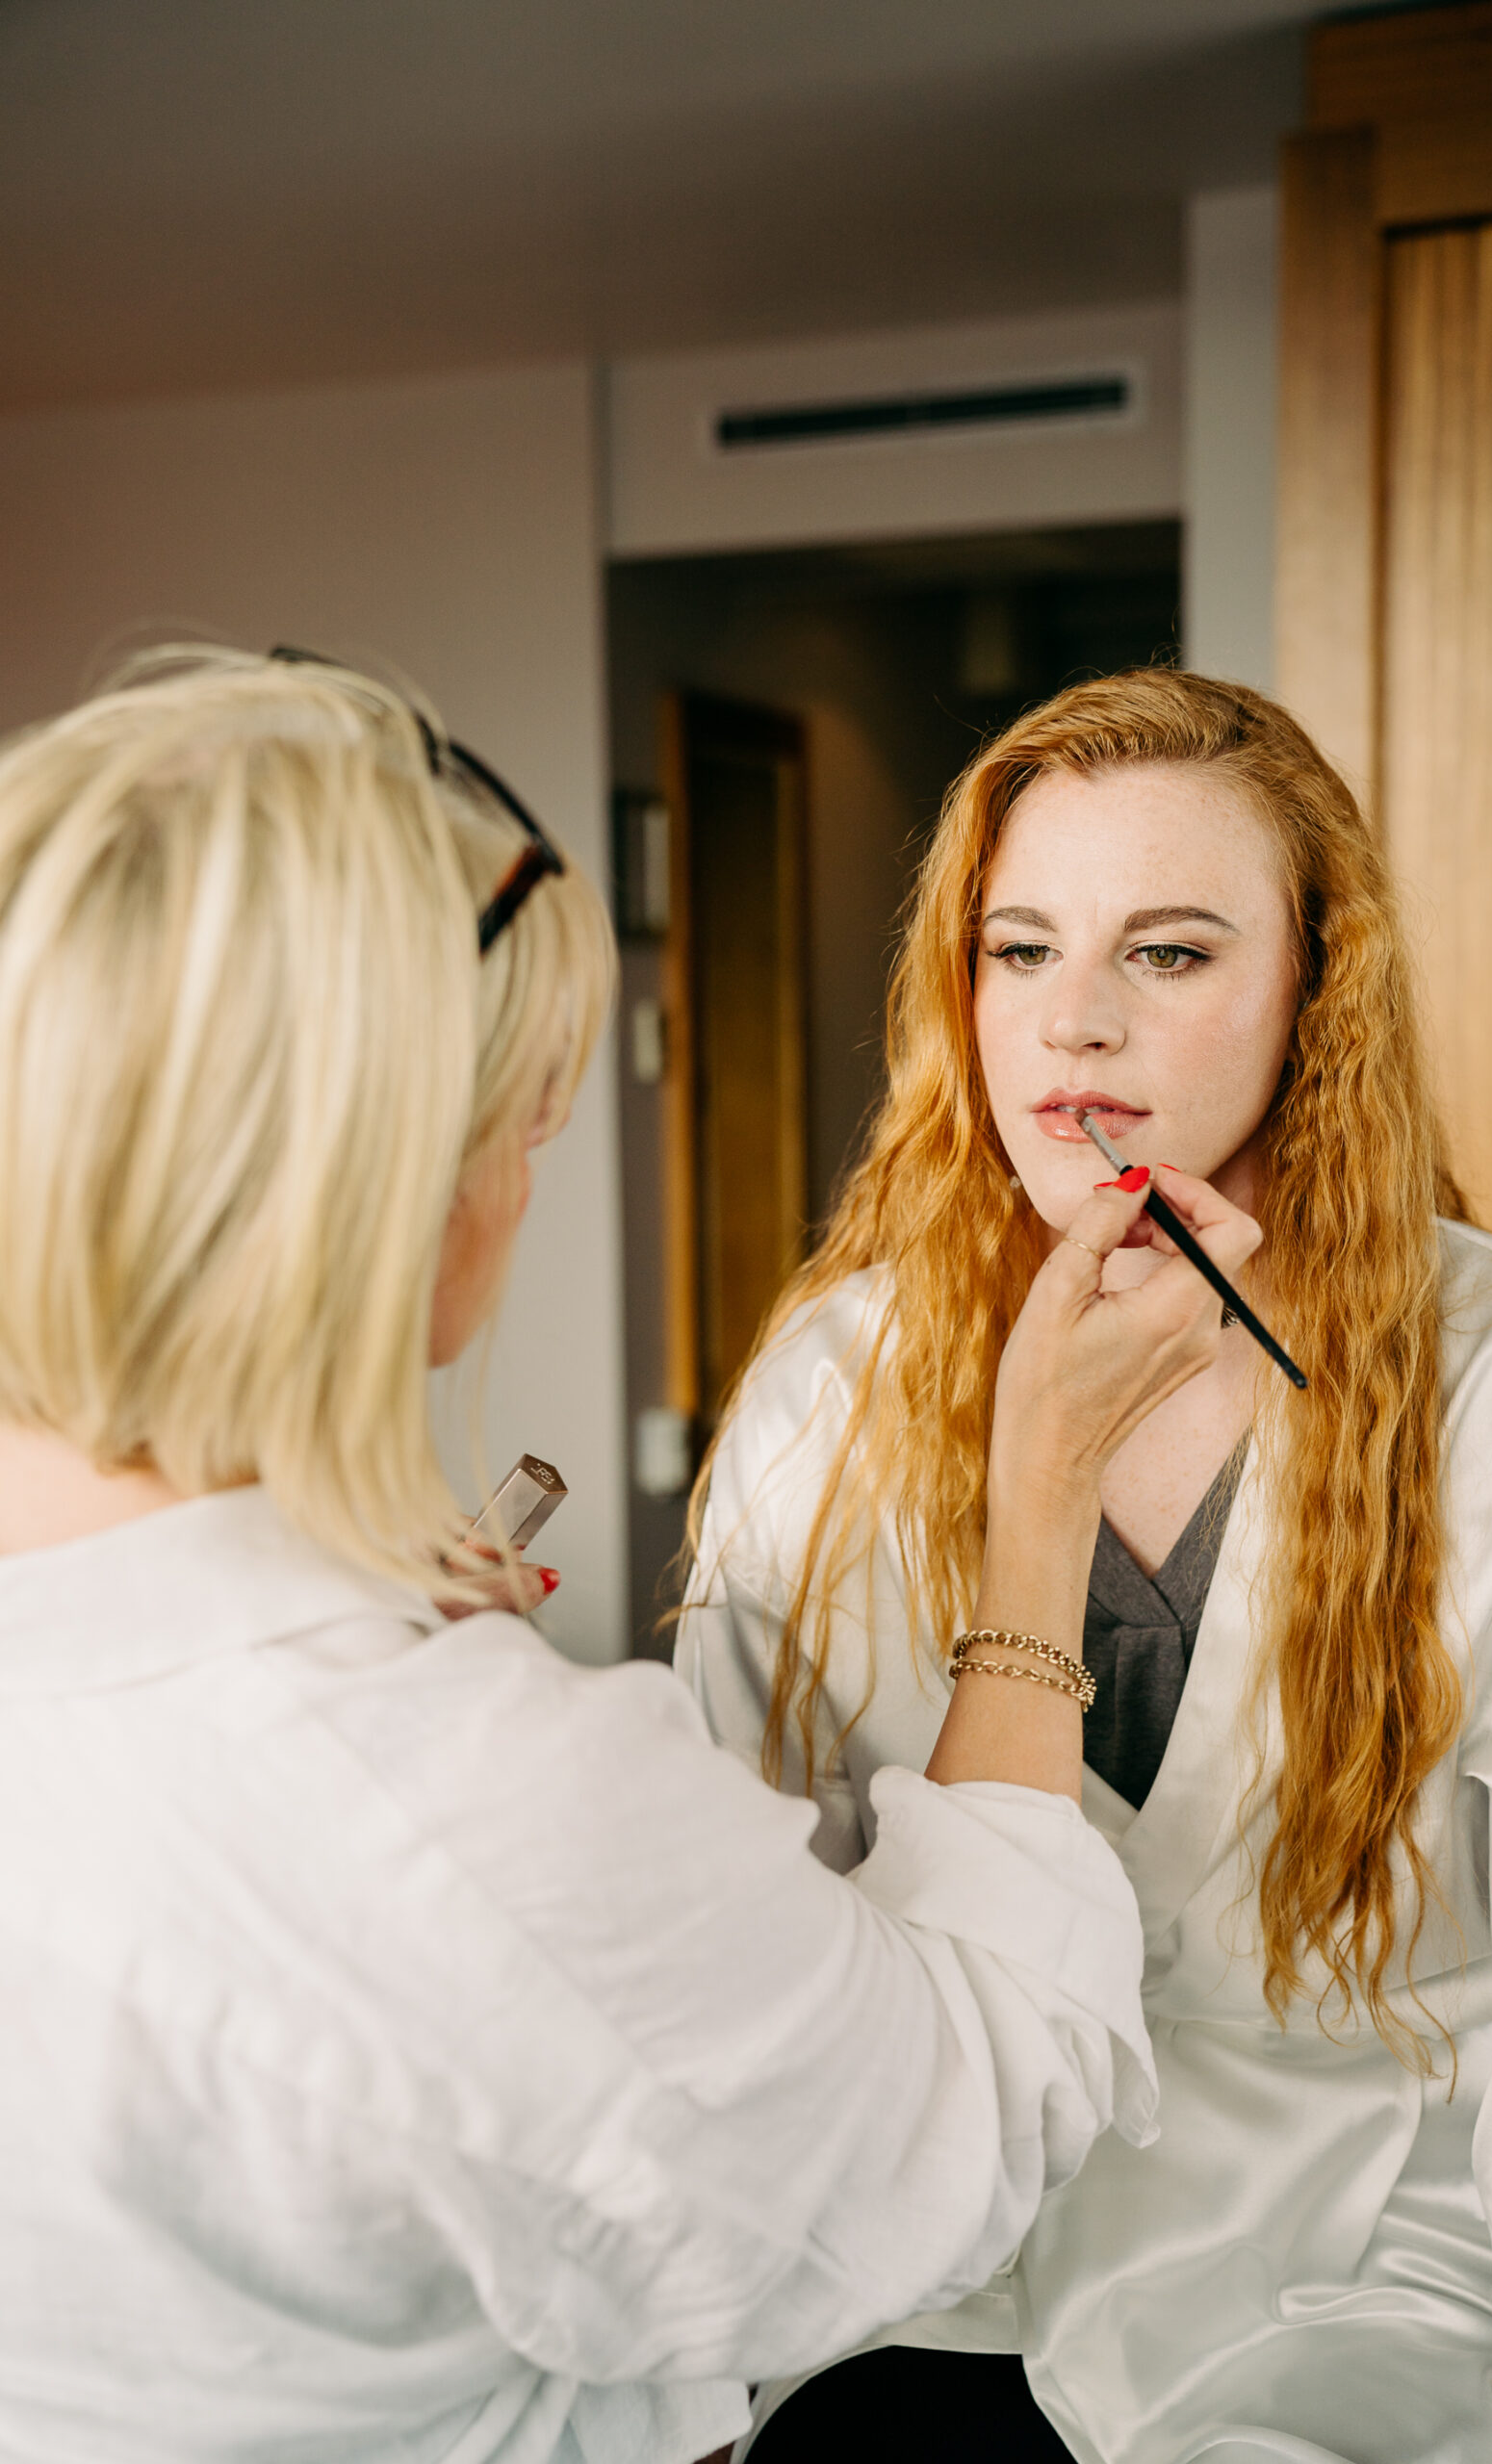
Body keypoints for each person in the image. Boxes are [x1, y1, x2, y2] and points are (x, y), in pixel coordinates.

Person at [0, 649, 1280, 2464]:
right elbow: (958, 2107)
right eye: (525, 1131)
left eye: (1172, 949)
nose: (1079, 1023)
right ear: (383, 1190)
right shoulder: (473, 1803)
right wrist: (1039, 1511)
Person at [676, 669, 1492, 2464]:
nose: (1076, 1030)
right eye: (1021, 951)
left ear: (1315, 991)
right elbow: (736, 1948)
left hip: (1353, 2284)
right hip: (934, 2278)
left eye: (1172, 956)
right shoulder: (836, 1384)